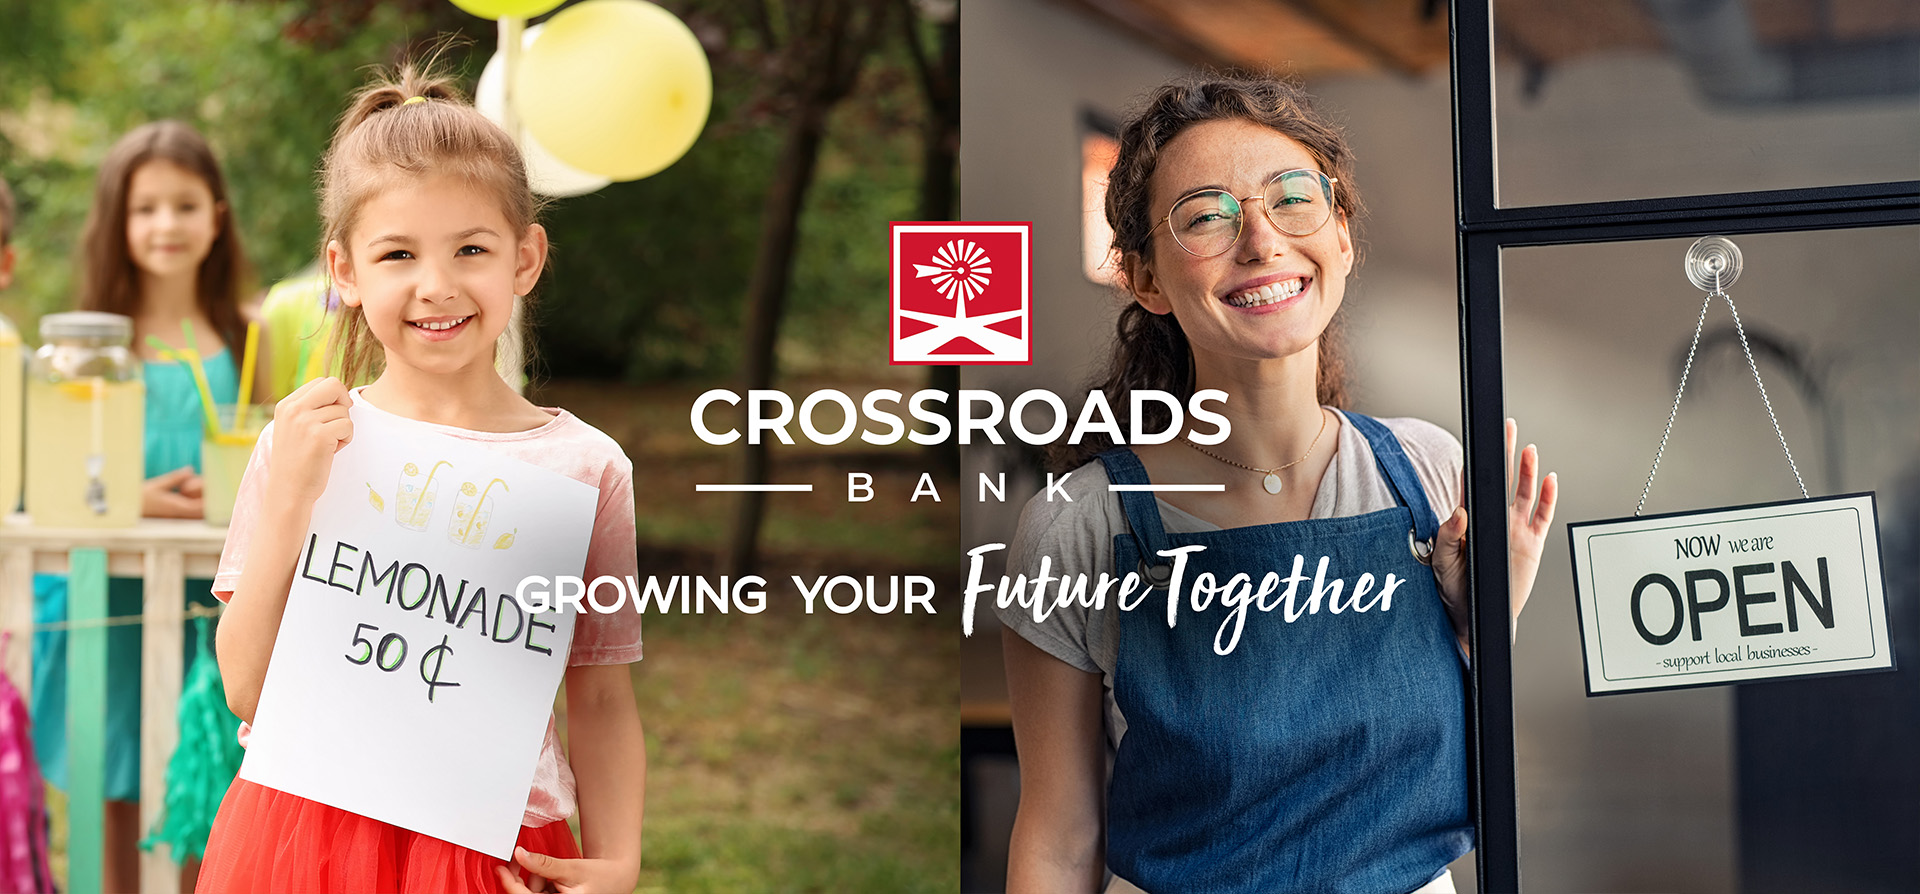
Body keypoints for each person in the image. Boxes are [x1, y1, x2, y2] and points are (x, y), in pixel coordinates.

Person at [996, 75, 1559, 894]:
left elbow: (1462, 774)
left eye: (1293, 199)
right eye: (1206, 217)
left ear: (1342, 237)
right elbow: (1057, 840)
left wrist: (1481, 630)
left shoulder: (1426, 473)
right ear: (1146, 280)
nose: (1261, 241)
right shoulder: (1079, 527)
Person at [195, 63, 645, 893]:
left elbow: (602, 695)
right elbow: (247, 687)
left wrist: (619, 859)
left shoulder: (584, 470)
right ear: (344, 271)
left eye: (471, 249)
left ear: (525, 257)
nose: (437, 286)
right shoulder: (305, 444)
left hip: (493, 848)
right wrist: (290, 498)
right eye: (397, 253)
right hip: (307, 833)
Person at [30, 119, 266, 893]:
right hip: (108, 597)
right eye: (146, 208)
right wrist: (133, 501)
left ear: (217, 216)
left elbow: (264, 455)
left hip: (211, 604)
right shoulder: (90, 346)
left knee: (206, 776)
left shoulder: (248, 335)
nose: (167, 224)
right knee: (117, 774)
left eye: (185, 205)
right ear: (117, 221)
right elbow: (52, 471)